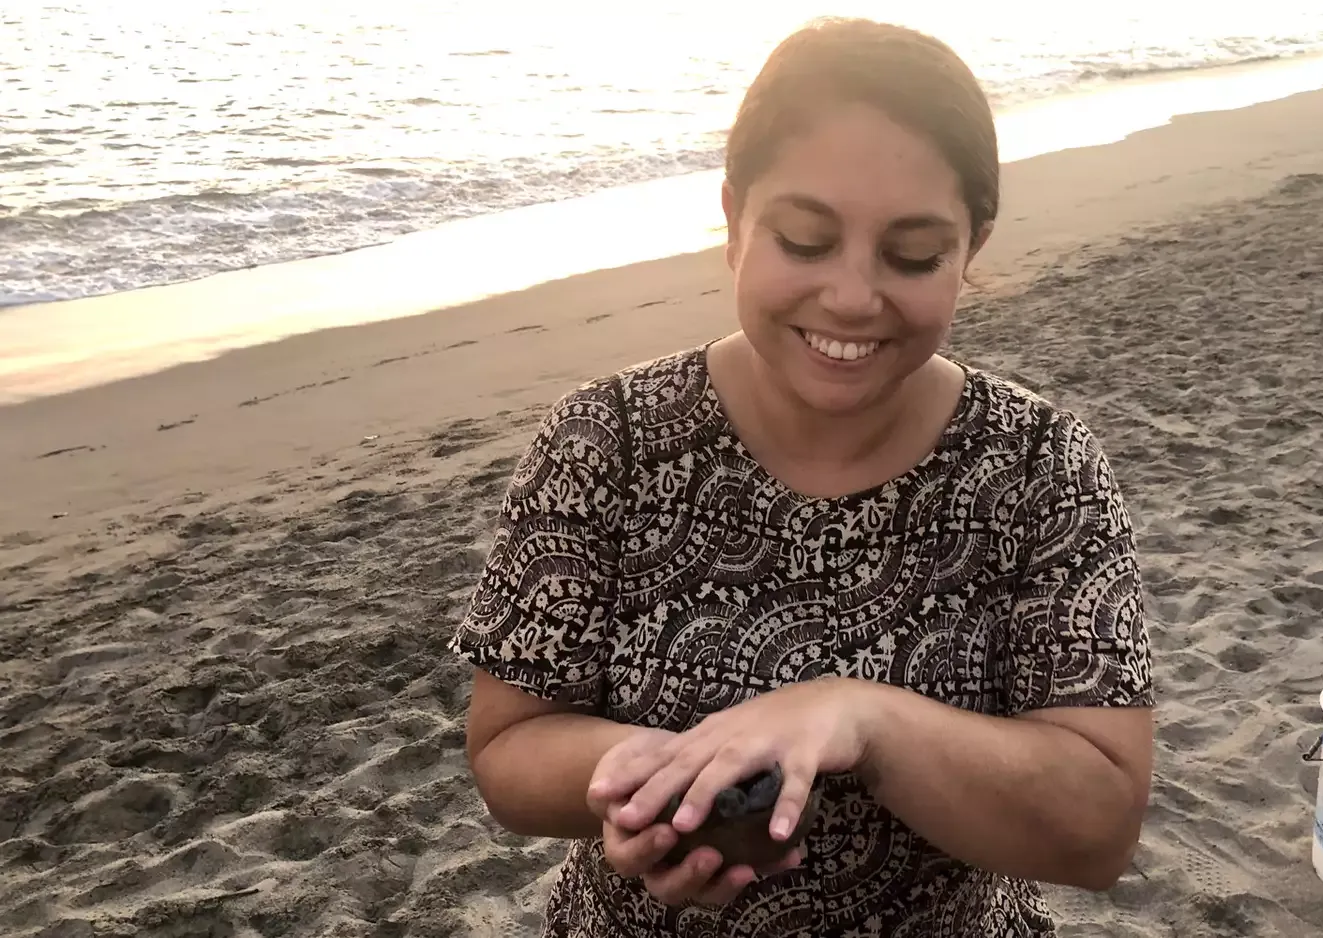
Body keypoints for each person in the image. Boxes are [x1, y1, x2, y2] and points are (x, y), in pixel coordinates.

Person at [450, 15, 1154, 938]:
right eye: (807, 240)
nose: (854, 296)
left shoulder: (1040, 466)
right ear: (736, 219)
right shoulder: (604, 439)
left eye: (912, 255)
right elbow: (508, 749)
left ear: (971, 247)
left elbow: (1098, 828)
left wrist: (861, 719)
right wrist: (679, 782)